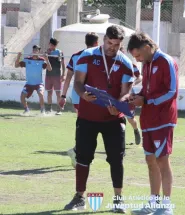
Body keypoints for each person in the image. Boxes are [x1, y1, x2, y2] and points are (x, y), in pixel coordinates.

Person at [64, 25, 134, 213]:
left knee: (116, 159)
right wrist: (83, 94)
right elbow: (78, 82)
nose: (112, 47)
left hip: (113, 119)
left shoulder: (125, 63)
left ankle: (118, 199)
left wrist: (118, 104)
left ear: (121, 43)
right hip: (87, 117)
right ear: (104, 39)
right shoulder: (87, 55)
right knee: (83, 157)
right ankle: (79, 197)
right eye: (110, 43)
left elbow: (126, 92)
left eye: (117, 44)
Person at [127, 32, 178, 215]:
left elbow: (172, 91)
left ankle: (166, 206)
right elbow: (148, 91)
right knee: (150, 161)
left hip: (163, 120)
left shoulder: (166, 61)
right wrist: (138, 97)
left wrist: (146, 101)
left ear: (147, 48)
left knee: (162, 160)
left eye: (138, 55)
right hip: (147, 120)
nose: (138, 59)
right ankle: (153, 203)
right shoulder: (146, 64)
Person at [59, 32, 99, 168]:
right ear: (96, 43)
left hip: (77, 95)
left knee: (85, 125)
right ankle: (77, 152)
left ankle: (81, 154)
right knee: (88, 126)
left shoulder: (76, 56)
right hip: (89, 96)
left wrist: (63, 96)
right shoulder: (97, 56)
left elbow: (68, 77)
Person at [15, 45, 52, 114]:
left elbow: (50, 69)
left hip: (38, 83)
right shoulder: (27, 59)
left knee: (41, 94)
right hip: (29, 84)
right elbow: (16, 65)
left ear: (39, 51)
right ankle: (26, 109)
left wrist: (47, 59)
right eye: (34, 50)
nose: (35, 51)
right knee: (22, 97)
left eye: (37, 50)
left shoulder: (42, 60)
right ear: (32, 51)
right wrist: (18, 57)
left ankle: (42, 110)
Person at [120, 46, 142, 145]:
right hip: (115, 95)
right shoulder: (109, 65)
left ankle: (136, 130)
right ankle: (119, 142)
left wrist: (132, 84)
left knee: (130, 119)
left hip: (128, 95)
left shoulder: (129, 64)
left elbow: (140, 77)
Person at [45, 38, 66, 115]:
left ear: (55, 45)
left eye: (52, 45)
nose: (51, 46)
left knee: (58, 93)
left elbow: (63, 64)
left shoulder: (59, 52)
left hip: (57, 75)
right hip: (48, 75)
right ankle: (49, 109)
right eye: (50, 44)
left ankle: (59, 109)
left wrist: (63, 74)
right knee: (49, 93)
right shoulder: (47, 52)